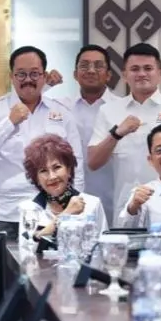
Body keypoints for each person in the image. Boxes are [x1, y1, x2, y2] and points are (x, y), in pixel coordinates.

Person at [0, 46, 81, 231]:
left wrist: (74, 206)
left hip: (52, 214)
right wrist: (9, 123)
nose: (28, 79)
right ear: (11, 76)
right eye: (21, 74)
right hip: (6, 214)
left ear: (44, 76)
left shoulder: (61, 112)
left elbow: (76, 163)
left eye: (34, 73)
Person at [87, 43, 161, 220]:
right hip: (125, 208)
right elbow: (93, 162)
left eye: (148, 68)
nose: (142, 74)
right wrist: (116, 134)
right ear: (125, 75)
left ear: (159, 73)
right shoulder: (108, 111)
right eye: (135, 69)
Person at [62, 45, 120, 222]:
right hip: (67, 200)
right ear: (75, 74)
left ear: (109, 75)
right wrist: (46, 86)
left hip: (112, 197)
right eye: (84, 65)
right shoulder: (60, 107)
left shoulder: (122, 109)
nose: (91, 71)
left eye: (98, 66)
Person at [21, 133, 108, 236]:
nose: (52, 177)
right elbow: (30, 244)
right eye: (43, 171)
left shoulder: (92, 204)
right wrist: (66, 214)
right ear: (36, 178)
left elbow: (103, 243)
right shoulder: (29, 209)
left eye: (57, 167)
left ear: (69, 170)